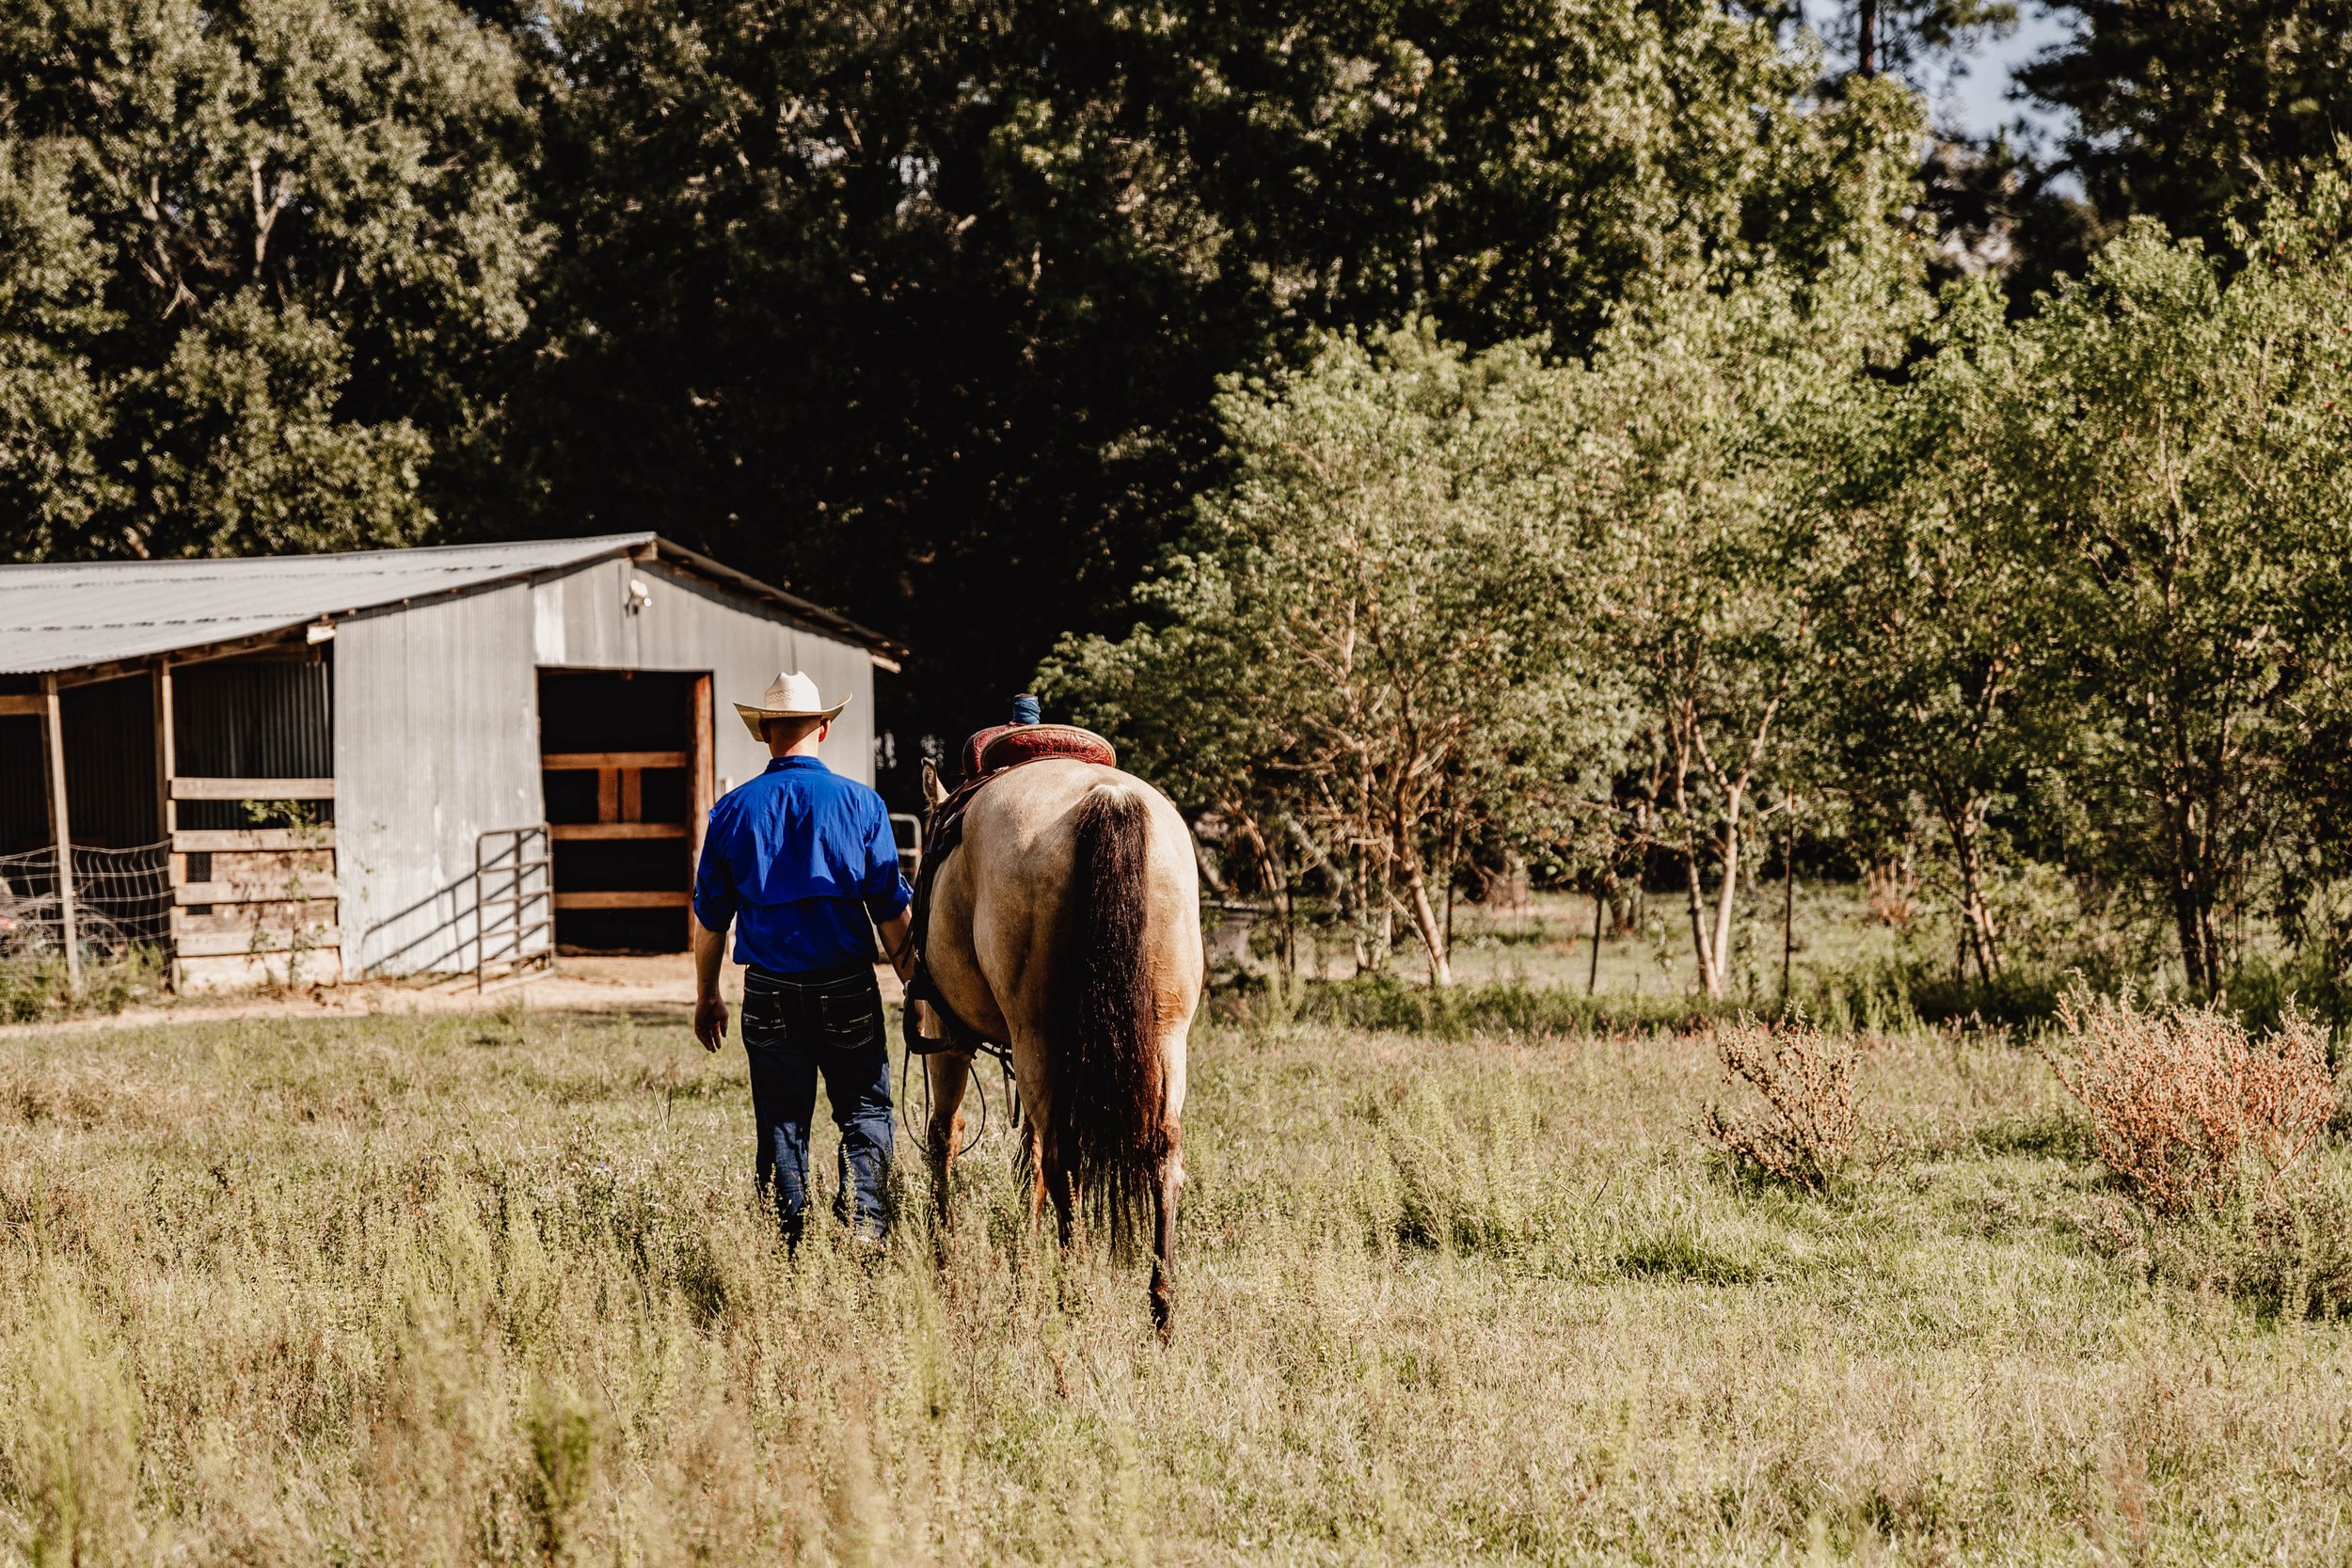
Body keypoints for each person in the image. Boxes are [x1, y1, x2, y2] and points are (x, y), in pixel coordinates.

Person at [691, 670, 914, 1244]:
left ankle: (789, 1245)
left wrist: (708, 996)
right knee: (864, 1111)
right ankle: (865, 1227)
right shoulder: (862, 805)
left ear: (765, 731)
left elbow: (711, 921)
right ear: (823, 727)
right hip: (845, 985)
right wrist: (918, 986)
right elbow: (891, 912)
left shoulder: (730, 812)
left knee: (782, 1123)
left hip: (768, 991)